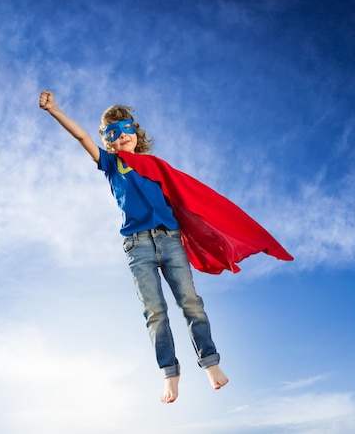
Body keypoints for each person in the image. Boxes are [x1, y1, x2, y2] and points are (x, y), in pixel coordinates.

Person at [38, 89, 229, 403]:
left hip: (169, 240)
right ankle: (170, 373)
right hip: (137, 246)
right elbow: (82, 137)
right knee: (155, 311)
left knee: (191, 303)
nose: (122, 135)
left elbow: (184, 199)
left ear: (136, 134)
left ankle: (210, 363)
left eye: (127, 129)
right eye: (114, 133)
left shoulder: (156, 165)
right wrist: (55, 110)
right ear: (110, 140)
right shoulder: (112, 165)